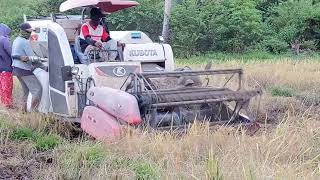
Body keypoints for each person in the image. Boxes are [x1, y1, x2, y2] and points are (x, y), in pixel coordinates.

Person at [12, 23, 42, 112]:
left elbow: (14, 55)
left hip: (16, 69)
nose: (30, 34)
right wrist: (43, 66)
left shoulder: (16, 40)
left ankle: (23, 111)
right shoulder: (24, 42)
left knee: (25, 91)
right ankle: (33, 112)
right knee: (38, 90)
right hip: (23, 70)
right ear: (24, 32)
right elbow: (32, 58)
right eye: (29, 32)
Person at [0, 23, 13, 108]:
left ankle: (2, 105)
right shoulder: (4, 40)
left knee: (1, 88)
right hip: (6, 68)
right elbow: (11, 53)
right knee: (7, 88)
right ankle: (7, 106)